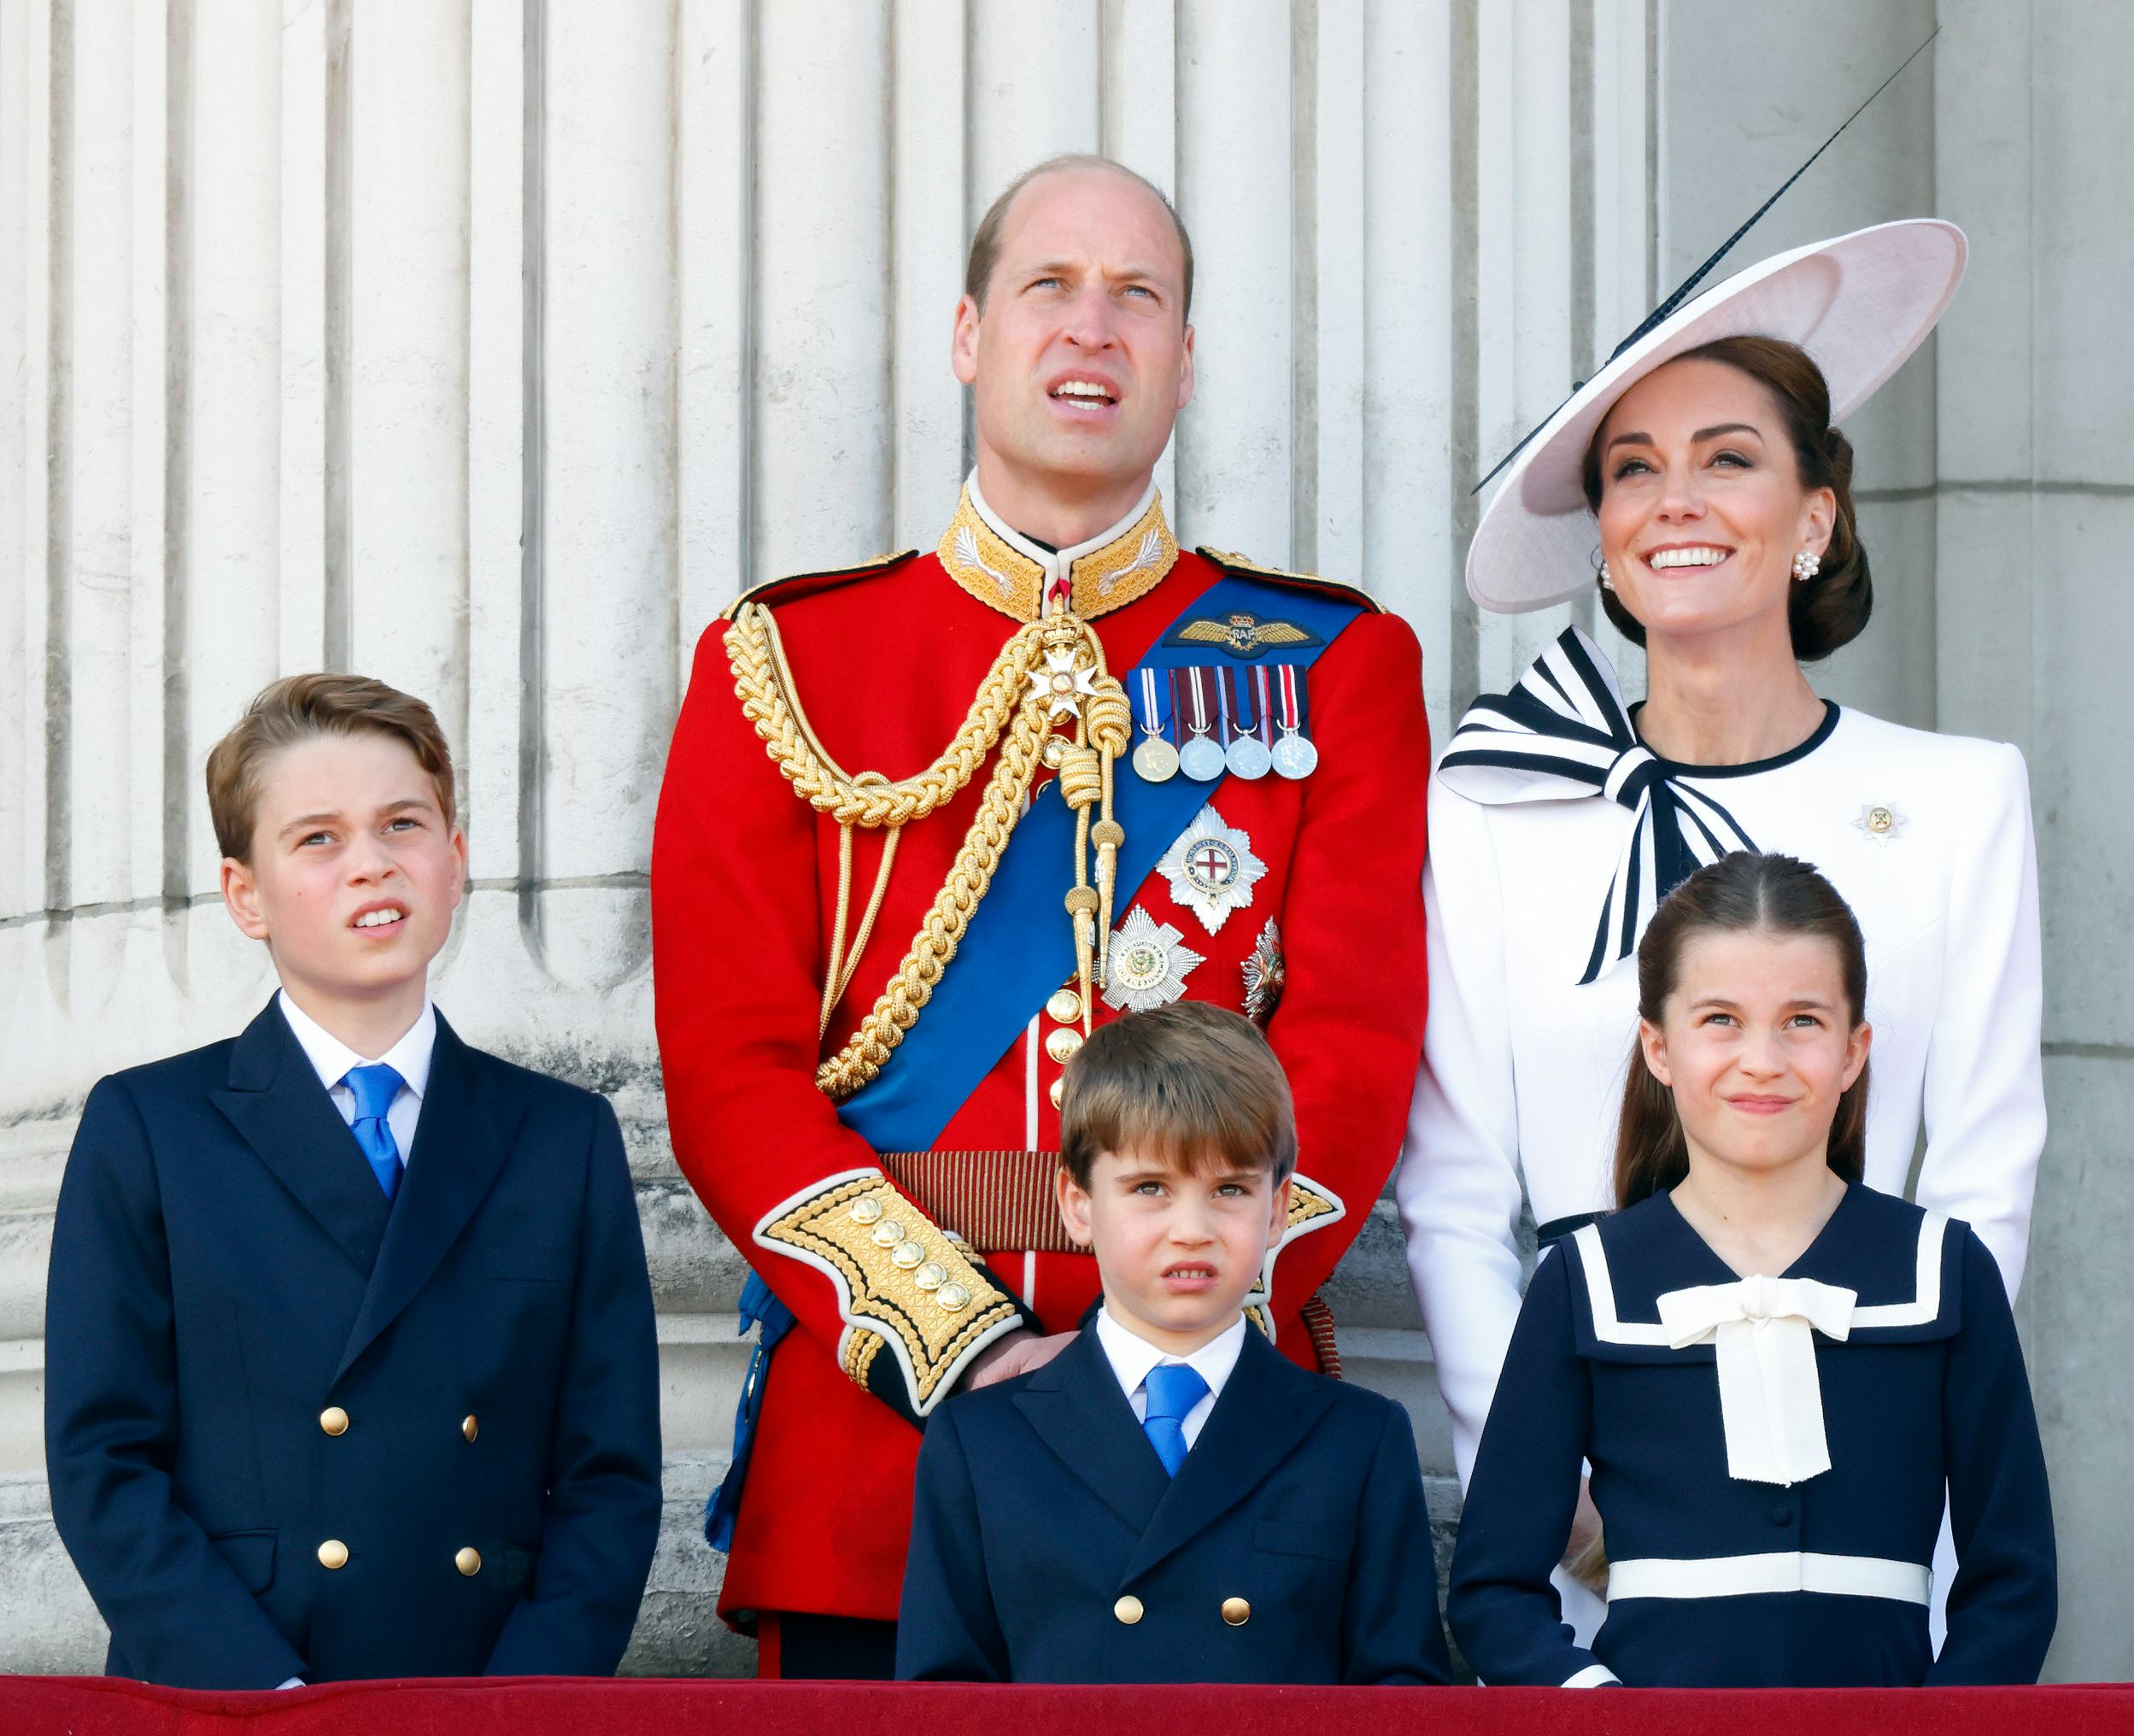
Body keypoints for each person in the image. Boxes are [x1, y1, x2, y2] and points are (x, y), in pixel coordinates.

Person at [653, 153, 1431, 1678]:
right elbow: (728, 1073)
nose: (1093, 329)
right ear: (967, 335)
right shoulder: (785, 662)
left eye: (1137, 296)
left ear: (1185, 361)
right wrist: (965, 1348)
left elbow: (1350, 1045)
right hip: (879, 1450)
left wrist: (1172, 1339)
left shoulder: (1333, 663)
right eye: (1048, 289)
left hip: (1219, 1450)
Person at [1394, 220, 2043, 1632]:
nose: (1673, 500)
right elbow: (1449, 1197)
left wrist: (1904, 1475)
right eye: (1634, 469)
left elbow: (1983, 1176)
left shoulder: (1956, 798)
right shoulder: (1490, 801)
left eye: (1727, 457)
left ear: (1813, 515)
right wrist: (1539, 1480)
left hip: (1870, 1497)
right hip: (1584, 1498)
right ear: (1603, 544)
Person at [44, 675, 662, 1688]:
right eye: (318, 838)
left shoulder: (562, 1137)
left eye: (403, 824)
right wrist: (262, 1698)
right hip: (232, 1694)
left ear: (454, 864)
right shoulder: (150, 1126)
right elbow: (102, 1462)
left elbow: (610, 1474)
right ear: (246, 894)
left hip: (483, 1692)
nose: (372, 863)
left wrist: (520, 1705)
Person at [1446, 852, 2055, 1687]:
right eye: (1720, 1020)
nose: (1761, 1059)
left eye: (1801, 1019)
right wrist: (1598, 1708)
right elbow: (1491, 1589)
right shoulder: (1582, 1280)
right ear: (1657, 1047)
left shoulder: (1944, 1270)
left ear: (1853, 1049)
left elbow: (2013, 1584)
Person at [896, 1002, 1451, 1684]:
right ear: (1077, 1206)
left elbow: (1401, 1701)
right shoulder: (979, 1441)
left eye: (1229, 1189)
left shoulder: (1357, 1440)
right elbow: (941, 1704)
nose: (1192, 1229)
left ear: (1277, 1209)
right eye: (1150, 1187)